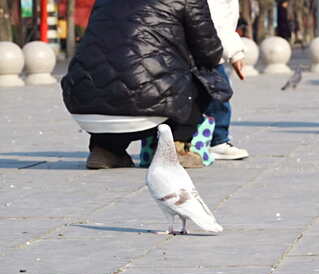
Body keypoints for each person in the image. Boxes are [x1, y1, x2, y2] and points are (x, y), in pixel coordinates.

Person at [61, 0, 224, 169]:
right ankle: (175, 145)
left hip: (83, 102)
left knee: (117, 72)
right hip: (146, 101)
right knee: (205, 77)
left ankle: (106, 149)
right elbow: (210, 53)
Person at [205, 0, 250, 160]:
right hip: (207, 49)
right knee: (219, 93)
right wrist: (235, 53)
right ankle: (217, 140)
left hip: (206, 46)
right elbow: (217, 22)